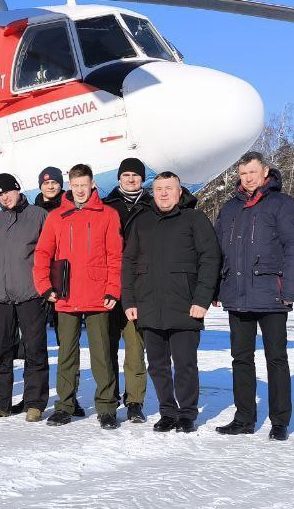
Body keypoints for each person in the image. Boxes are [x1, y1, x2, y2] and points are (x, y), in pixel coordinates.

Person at [213, 151, 294, 440]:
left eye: (252, 173)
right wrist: (218, 288)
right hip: (237, 295)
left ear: (265, 172)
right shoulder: (230, 208)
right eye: (243, 174)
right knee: (241, 359)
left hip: (272, 295)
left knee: (276, 359)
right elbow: (217, 251)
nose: (248, 178)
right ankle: (244, 418)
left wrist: (291, 288)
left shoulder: (282, 205)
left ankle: (280, 420)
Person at [123, 172, 219, 433]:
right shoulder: (141, 222)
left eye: (169, 188)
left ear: (179, 192)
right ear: (152, 192)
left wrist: (202, 300)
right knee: (157, 364)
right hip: (149, 304)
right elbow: (129, 262)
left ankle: (187, 413)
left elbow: (210, 259)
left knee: (185, 363)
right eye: (159, 189)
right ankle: (167, 411)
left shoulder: (194, 219)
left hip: (185, 304)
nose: (164, 193)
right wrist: (129, 300)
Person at [33, 164, 124, 429]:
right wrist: (45, 286)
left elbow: (115, 256)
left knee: (102, 353)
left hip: (98, 293)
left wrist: (112, 289)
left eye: (85, 184)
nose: (81, 190)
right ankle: (65, 405)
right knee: (67, 354)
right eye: (76, 185)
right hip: (66, 293)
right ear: (69, 186)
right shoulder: (57, 217)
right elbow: (42, 254)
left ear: (92, 184)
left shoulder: (107, 214)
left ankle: (107, 407)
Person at [0, 173, 50, 422]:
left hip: (31, 296)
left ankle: (34, 403)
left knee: (34, 349)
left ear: (18, 190)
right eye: (0, 194)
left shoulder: (38, 216)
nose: (4, 197)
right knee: (1, 351)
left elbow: (51, 253)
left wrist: (47, 289)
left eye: (8, 191)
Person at [101, 157, 154, 423]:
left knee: (135, 348)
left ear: (142, 179)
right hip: (108, 286)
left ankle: (134, 401)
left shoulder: (152, 206)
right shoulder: (105, 206)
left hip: (138, 287)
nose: (131, 179)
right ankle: (108, 401)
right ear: (119, 178)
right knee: (106, 348)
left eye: (135, 175)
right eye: (126, 175)